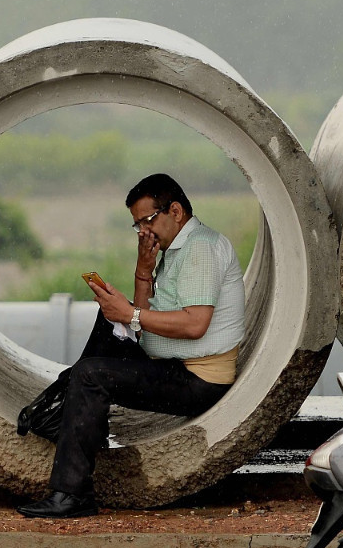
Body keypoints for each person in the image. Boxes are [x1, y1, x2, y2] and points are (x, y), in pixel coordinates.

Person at [16, 173, 245, 518]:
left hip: (197, 381)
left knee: (91, 374)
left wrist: (131, 313)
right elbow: (142, 323)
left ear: (176, 211)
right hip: (172, 364)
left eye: (148, 220)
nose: (143, 231)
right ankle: (59, 413)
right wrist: (142, 274)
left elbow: (195, 324)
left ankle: (71, 491)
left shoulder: (200, 247)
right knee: (109, 323)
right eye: (137, 225)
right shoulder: (175, 249)